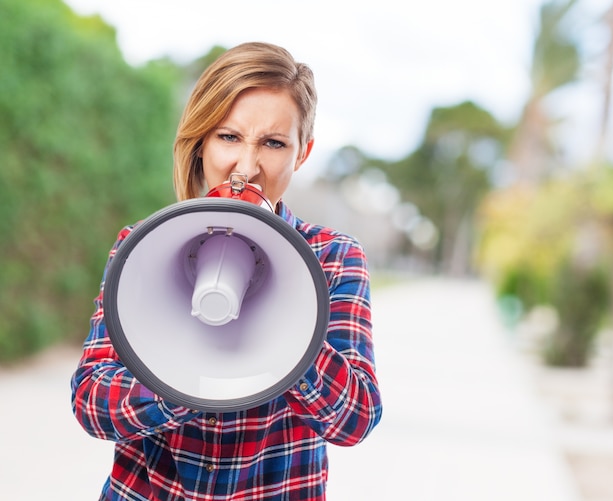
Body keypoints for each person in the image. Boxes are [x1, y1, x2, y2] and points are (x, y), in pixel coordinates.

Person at [71, 41, 382, 501]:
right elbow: (90, 402)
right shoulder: (140, 247)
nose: (246, 166)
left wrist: (289, 337)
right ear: (200, 142)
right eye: (229, 136)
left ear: (302, 153)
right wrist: (179, 378)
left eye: (274, 143)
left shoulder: (333, 258)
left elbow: (354, 419)